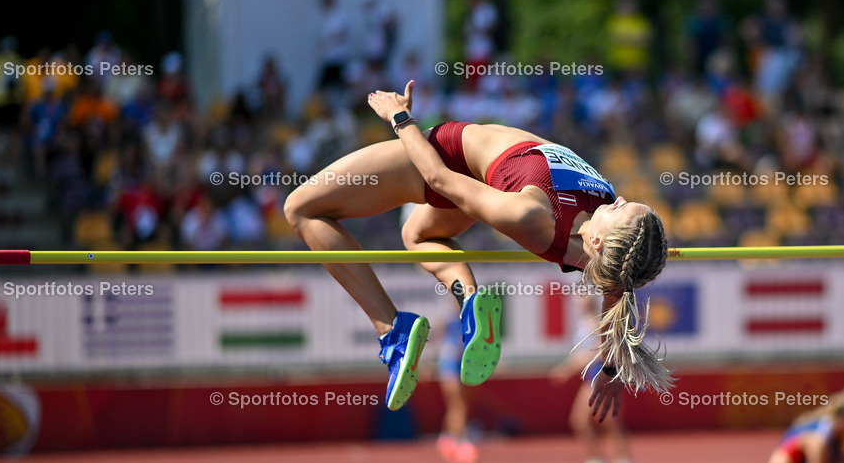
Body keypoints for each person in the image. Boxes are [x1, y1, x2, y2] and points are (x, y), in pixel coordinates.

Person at [283, 80, 671, 415]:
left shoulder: (532, 216)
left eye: (621, 209)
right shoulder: (608, 260)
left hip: (451, 156)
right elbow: (616, 301)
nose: (619, 199)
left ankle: (392, 329)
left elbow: (438, 178)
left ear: (599, 242)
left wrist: (399, 117)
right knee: (418, 236)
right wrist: (610, 370)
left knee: (300, 209)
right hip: (488, 180)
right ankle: (468, 301)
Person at [550, 295, 633, 463]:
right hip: (593, 376)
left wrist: (568, 369)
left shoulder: (596, 320)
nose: (579, 300)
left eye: (584, 296)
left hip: (603, 374)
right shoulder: (586, 321)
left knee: (607, 420)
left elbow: (599, 351)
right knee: (582, 421)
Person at [433, 308, 479, 463]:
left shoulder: (473, 316)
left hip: (465, 362)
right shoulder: (447, 316)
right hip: (450, 363)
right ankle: (461, 441)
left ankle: (446, 438)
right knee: (458, 404)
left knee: (460, 405)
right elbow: (436, 338)